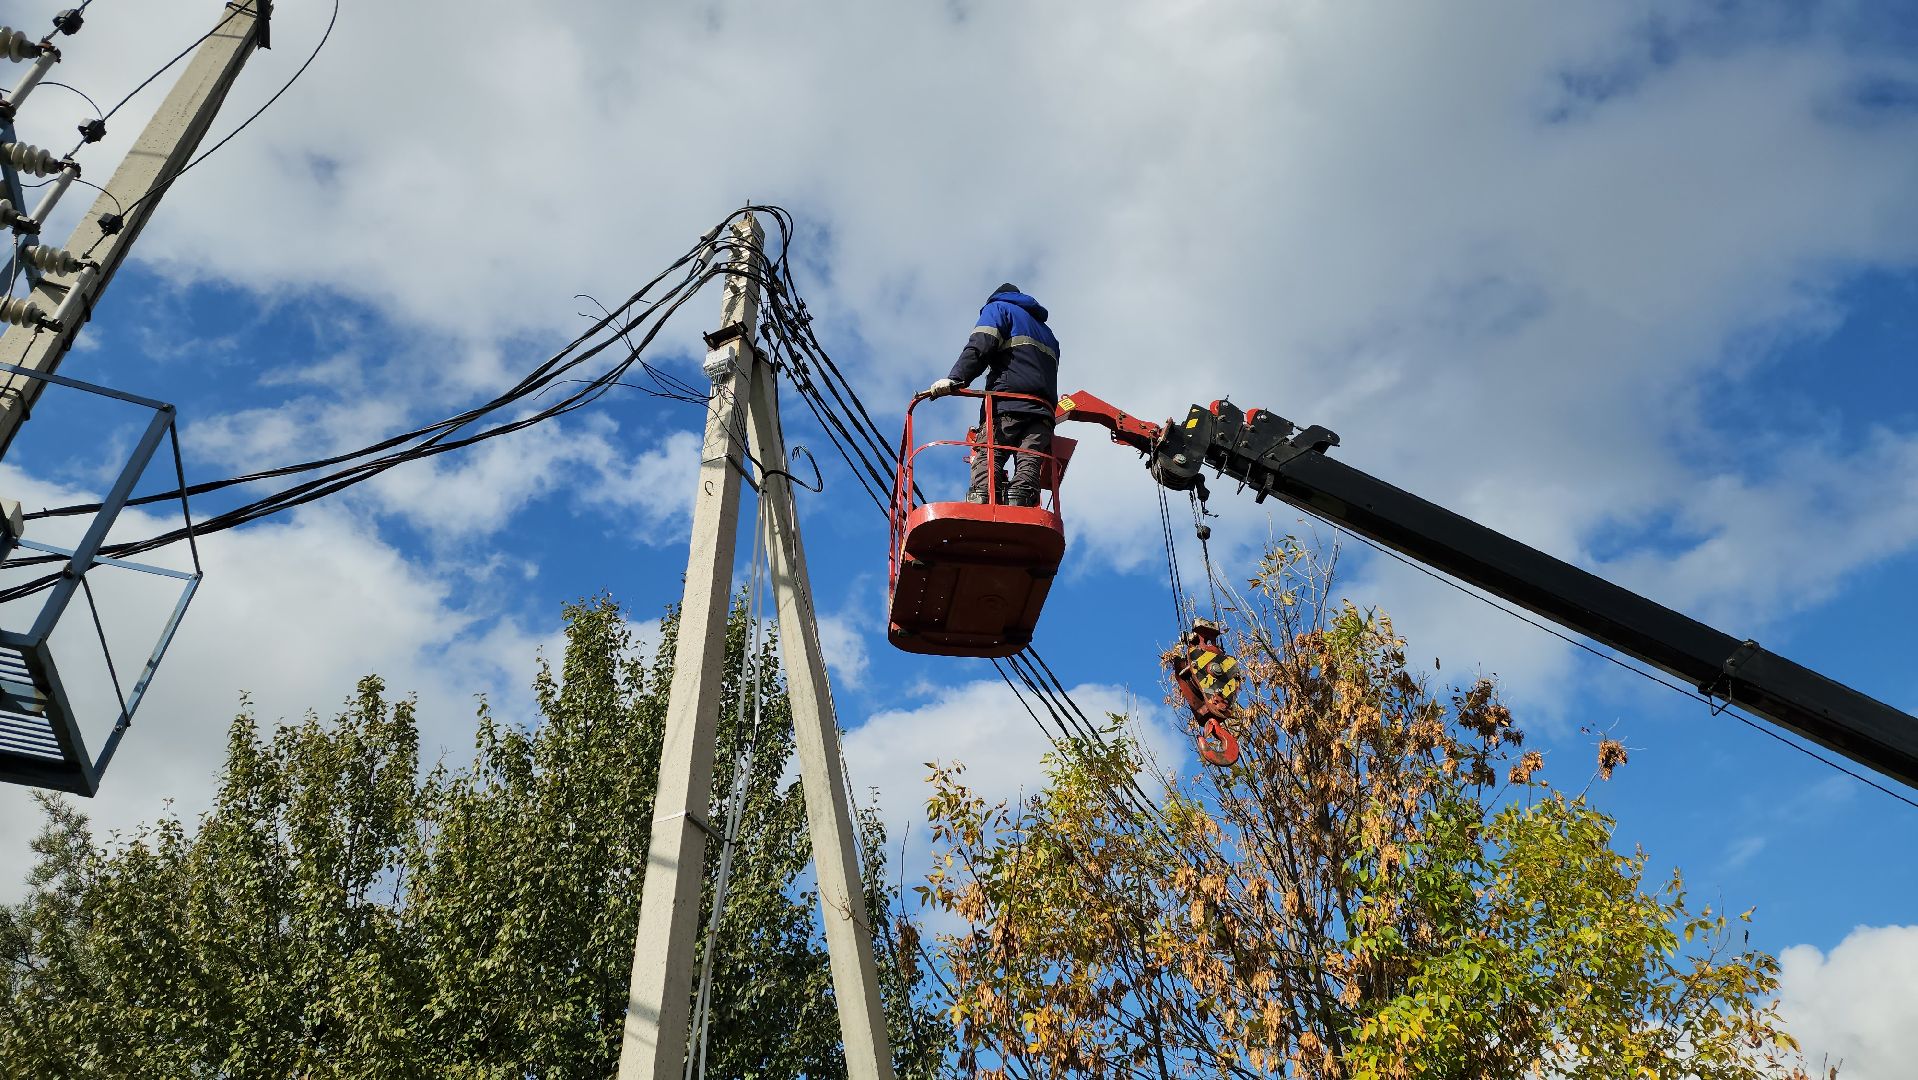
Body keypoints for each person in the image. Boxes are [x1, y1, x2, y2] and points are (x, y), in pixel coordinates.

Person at [925, 283, 1060, 507]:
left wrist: (955, 378)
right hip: (1042, 410)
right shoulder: (1048, 333)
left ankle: (982, 500)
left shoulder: (999, 309)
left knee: (989, 454)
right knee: (1029, 461)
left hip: (1008, 403)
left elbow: (980, 346)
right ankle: (1020, 501)